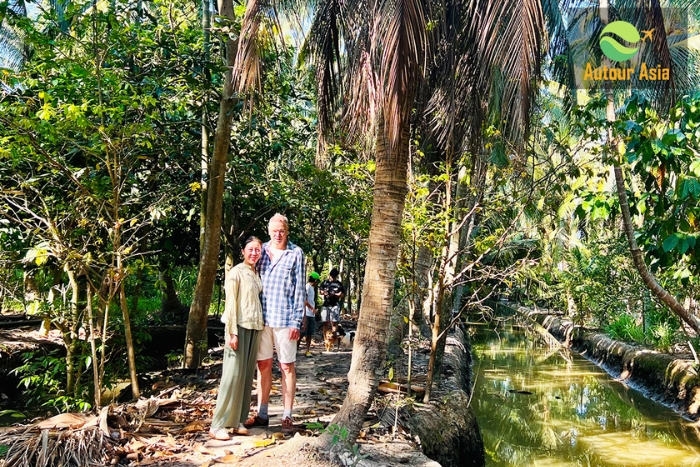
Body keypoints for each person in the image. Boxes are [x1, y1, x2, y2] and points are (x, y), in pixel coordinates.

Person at [244, 213, 306, 433]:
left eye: (281, 230)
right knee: (263, 366)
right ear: (269, 231)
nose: (278, 234)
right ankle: (262, 413)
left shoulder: (296, 253)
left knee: (286, 366)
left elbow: (299, 290)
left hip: (285, 319)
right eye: (274, 230)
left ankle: (287, 415)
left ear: (287, 231)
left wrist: (296, 321)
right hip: (262, 320)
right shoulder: (261, 252)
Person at [209, 236, 264, 441]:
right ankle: (218, 424)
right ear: (243, 251)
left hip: (254, 326)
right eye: (250, 249)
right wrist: (232, 332)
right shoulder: (236, 272)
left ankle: (237, 421)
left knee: (246, 376)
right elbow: (230, 304)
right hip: (238, 327)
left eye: (257, 250)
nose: (254, 253)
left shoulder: (255, 272)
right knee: (231, 376)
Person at [319, 268, 345, 338]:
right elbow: (320, 291)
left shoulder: (339, 284)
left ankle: (333, 338)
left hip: (335, 305)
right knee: (325, 323)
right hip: (326, 304)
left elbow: (342, 294)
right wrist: (324, 292)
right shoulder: (325, 282)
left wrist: (335, 295)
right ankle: (325, 339)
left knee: (334, 322)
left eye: (334, 277)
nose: (332, 278)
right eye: (331, 276)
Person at [299, 272, 320, 357]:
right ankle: (295, 350)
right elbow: (304, 300)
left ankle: (307, 350)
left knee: (310, 333)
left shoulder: (311, 288)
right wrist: (312, 309)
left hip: (311, 315)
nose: (317, 283)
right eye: (317, 281)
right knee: (302, 333)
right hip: (306, 314)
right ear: (315, 280)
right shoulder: (307, 287)